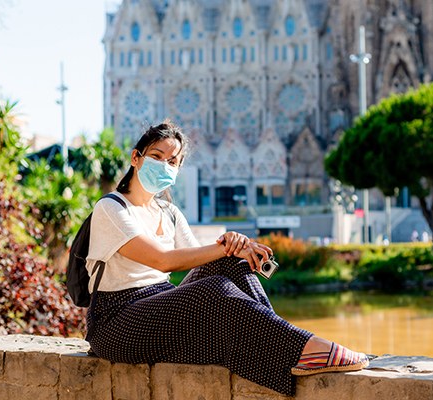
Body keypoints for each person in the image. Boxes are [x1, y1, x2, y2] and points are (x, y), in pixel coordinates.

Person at [84, 121, 368, 396]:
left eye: (172, 162)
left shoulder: (168, 212)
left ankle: (282, 344)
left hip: (157, 305)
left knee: (230, 264)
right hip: (115, 321)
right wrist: (223, 245)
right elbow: (163, 261)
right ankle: (303, 348)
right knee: (213, 289)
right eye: (157, 156)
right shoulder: (111, 207)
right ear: (136, 158)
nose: (164, 166)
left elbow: (199, 261)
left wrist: (234, 248)